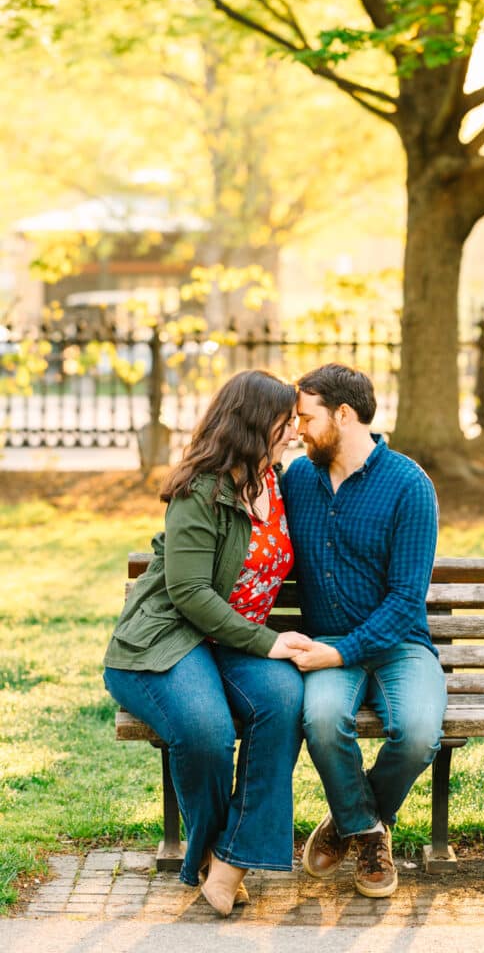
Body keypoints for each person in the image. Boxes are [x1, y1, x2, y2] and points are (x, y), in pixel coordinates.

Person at [103, 369, 312, 916]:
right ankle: (206, 857)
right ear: (254, 424)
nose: (294, 432)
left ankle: (230, 862)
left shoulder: (277, 481)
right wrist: (267, 642)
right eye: (285, 422)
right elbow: (190, 593)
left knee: (284, 701)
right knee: (205, 731)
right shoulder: (201, 491)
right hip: (168, 639)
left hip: (230, 644)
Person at [281, 363, 446, 899]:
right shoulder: (297, 480)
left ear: (344, 415)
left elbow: (405, 601)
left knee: (418, 734)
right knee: (323, 721)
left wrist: (340, 653)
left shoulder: (408, 485)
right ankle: (370, 832)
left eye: (307, 417)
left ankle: (348, 821)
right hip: (328, 641)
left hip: (400, 645)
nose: (298, 429)